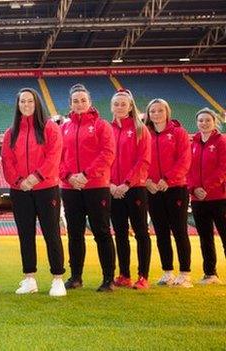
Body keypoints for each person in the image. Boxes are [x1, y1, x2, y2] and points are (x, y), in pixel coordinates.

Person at [1, 87, 66, 297]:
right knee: (25, 235)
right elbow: (7, 161)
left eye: (30, 101)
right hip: (20, 191)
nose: (26, 105)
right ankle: (29, 278)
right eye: (22, 102)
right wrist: (20, 181)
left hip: (46, 189)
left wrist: (36, 177)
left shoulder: (49, 127)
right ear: (18, 106)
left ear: (37, 103)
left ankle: (58, 278)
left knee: (51, 234)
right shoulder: (12, 132)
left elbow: (54, 156)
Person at [60, 84, 116, 292]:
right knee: (74, 233)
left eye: (83, 100)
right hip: (70, 187)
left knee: (101, 232)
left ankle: (108, 278)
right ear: (70, 104)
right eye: (76, 101)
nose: (80, 103)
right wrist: (68, 176)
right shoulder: (64, 128)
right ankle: (75, 277)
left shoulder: (102, 126)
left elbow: (107, 154)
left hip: (96, 186)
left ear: (90, 102)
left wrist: (85, 175)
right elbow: (58, 156)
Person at [145, 98, 193, 287]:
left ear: (167, 112)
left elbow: (184, 160)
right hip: (153, 189)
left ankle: (185, 273)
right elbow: (142, 159)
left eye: (160, 110)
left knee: (180, 231)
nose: (156, 114)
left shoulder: (179, 132)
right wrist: (147, 180)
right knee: (161, 232)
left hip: (175, 189)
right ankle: (167, 272)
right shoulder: (145, 134)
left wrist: (168, 179)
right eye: (153, 111)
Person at [109, 89, 152, 290]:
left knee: (141, 232)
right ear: (111, 107)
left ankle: (143, 275)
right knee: (119, 233)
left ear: (130, 106)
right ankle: (124, 274)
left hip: (134, 188)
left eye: (123, 104)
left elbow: (143, 161)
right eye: (116, 104)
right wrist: (110, 184)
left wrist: (126, 184)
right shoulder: (106, 129)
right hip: (112, 190)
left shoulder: (140, 129)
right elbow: (103, 159)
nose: (119, 107)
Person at [188, 108, 226, 285]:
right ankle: (210, 274)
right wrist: (194, 189)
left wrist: (206, 187)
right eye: (201, 120)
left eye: (207, 120)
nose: (204, 123)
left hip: (219, 198)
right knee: (205, 237)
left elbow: (222, 169)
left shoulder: (221, 141)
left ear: (214, 122)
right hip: (198, 199)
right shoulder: (193, 143)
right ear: (197, 123)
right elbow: (187, 170)